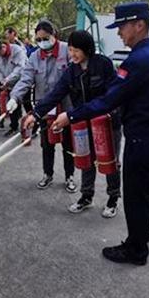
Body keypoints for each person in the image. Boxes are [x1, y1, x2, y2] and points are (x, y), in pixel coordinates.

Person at [50, 1, 149, 266]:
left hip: (141, 139)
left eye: (122, 26)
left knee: (137, 195)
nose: (119, 33)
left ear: (139, 25)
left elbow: (109, 99)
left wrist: (70, 115)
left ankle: (135, 250)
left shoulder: (138, 60)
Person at [23, 30, 121, 217]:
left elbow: (111, 97)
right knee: (86, 159)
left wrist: (72, 115)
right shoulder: (71, 71)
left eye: (76, 51)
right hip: (83, 121)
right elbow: (55, 94)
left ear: (87, 49)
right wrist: (35, 114)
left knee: (111, 161)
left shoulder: (103, 65)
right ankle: (86, 196)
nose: (72, 54)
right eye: (70, 50)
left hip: (107, 122)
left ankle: (112, 198)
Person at [8, 20, 77, 193]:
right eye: (38, 40)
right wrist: (15, 97)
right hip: (45, 108)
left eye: (45, 38)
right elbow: (26, 79)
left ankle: (70, 176)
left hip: (66, 107)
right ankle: (48, 174)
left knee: (68, 143)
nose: (41, 43)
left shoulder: (67, 51)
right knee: (47, 144)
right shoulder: (34, 56)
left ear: (55, 35)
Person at [0, 39, 27, 137]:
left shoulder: (17, 51)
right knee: (12, 106)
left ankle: (33, 126)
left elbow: (20, 68)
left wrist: (8, 79)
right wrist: (3, 81)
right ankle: (14, 127)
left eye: (0, 53)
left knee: (27, 105)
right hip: (9, 84)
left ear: (3, 46)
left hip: (23, 82)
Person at [5, 27, 33, 114]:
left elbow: (22, 65)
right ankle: (15, 124)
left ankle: (32, 120)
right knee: (15, 101)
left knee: (26, 102)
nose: (6, 36)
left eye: (7, 34)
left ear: (13, 33)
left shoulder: (19, 46)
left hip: (22, 77)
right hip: (12, 78)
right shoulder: (8, 45)